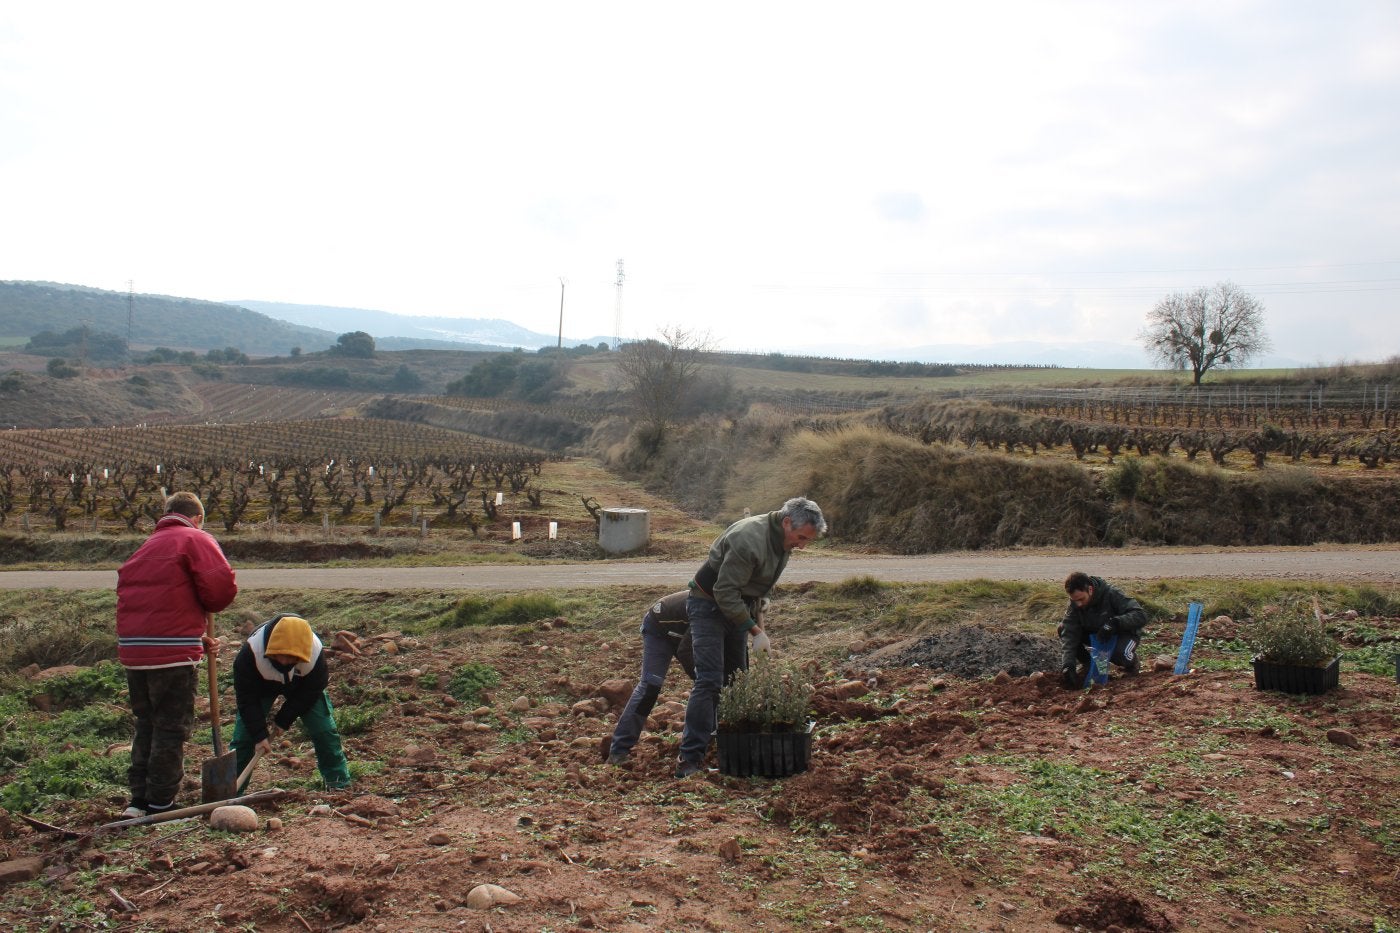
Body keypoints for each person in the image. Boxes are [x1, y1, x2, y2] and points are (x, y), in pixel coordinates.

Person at [675, 496, 824, 778]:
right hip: (708, 604)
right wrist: (753, 631)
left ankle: (729, 752)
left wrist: (760, 625)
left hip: (737, 606)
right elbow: (724, 593)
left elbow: (757, 588)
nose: (802, 545)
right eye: (801, 537)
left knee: (737, 679)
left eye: (808, 541)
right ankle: (689, 759)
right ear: (787, 522)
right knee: (710, 680)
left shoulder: (783, 540)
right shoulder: (749, 538)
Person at [116, 491, 238, 818]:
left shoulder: (146, 546)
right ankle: (161, 802)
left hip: (134, 653)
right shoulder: (194, 538)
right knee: (170, 728)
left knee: (146, 724)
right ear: (197, 517)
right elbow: (220, 589)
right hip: (171, 658)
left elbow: (155, 607)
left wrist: (196, 637)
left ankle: (137, 801)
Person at [604, 591, 769, 766]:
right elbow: (686, 650)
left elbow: (738, 672)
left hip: (685, 631)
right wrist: (706, 684)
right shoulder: (714, 612)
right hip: (660, 626)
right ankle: (618, 751)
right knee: (651, 687)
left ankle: (714, 742)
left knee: (725, 686)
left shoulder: (738, 621)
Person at [230, 613, 351, 791]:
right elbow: (247, 698)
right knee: (244, 739)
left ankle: (338, 783)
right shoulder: (250, 654)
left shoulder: (314, 654)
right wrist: (258, 735)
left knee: (324, 729)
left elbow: (311, 691)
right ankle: (231, 792)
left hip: (301, 686)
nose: (285, 662)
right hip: (260, 686)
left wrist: (284, 719)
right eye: (279, 656)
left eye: (291, 658)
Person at [1058, 571, 1147, 687]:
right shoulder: (1074, 605)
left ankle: (1131, 663)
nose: (1078, 604)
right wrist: (1068, 665)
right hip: (1098, 636)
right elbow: (1069, 634)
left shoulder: (1111, 593)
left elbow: (1141, 615)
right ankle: (1088, 664)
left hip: (1123, 634)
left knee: (1119, 654)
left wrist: (1115, 623)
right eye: (1075, 600)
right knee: (1063, 629)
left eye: (1081, 599)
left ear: (1090, 590)